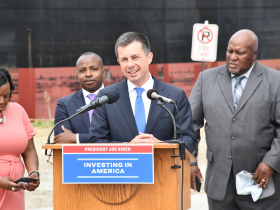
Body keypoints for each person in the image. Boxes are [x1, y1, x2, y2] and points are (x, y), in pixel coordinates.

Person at [189, 29, 280, 209]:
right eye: (230, 51)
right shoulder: (206, 79)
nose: (233, 57)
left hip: (261, 182)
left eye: (240, 53)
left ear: (254, 54)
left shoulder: (275, 81)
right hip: (219, 186)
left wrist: (271, 162)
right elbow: (189, 126)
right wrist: (191, 161)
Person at [89, 32, 196, 152]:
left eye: (135, 57)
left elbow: (189, 141)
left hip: (163, 168)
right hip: (124, 168)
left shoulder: (174, 96)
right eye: (124, 59)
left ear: (149, 57)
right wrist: (127, 146)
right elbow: (96, 141)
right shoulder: (106, 97)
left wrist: (161, 145)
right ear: (119, 62)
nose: (130, 65)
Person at [0, 68, 40, 210]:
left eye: (6, 96)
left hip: (15, 191)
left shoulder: (18, 110)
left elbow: (29, 151)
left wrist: (33, 173)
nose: (2, 101)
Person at [54, 52, 105, 143]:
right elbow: (62, 139)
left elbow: (121, 136)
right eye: (82, 70)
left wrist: (76, 138)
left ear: (103, 72)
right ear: (77, 74)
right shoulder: (64, 104)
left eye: (94, 69)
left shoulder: (119, 99)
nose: (88, 74)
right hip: (78, 157)